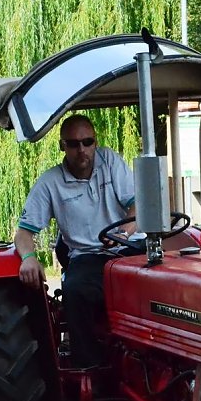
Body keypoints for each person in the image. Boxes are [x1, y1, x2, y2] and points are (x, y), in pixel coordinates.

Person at [15, 114, 136, 368]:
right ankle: (91, 368)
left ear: (95, 142)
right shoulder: (51, 183)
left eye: (87, 142)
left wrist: (123, 233)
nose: (82, 150)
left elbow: (136, 206)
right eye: (73, 144)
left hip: (129, 248)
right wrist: (28, 258)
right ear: (62, 146)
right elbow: (24, 232)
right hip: (88, 256)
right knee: (76, 291)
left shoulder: (110, 161)